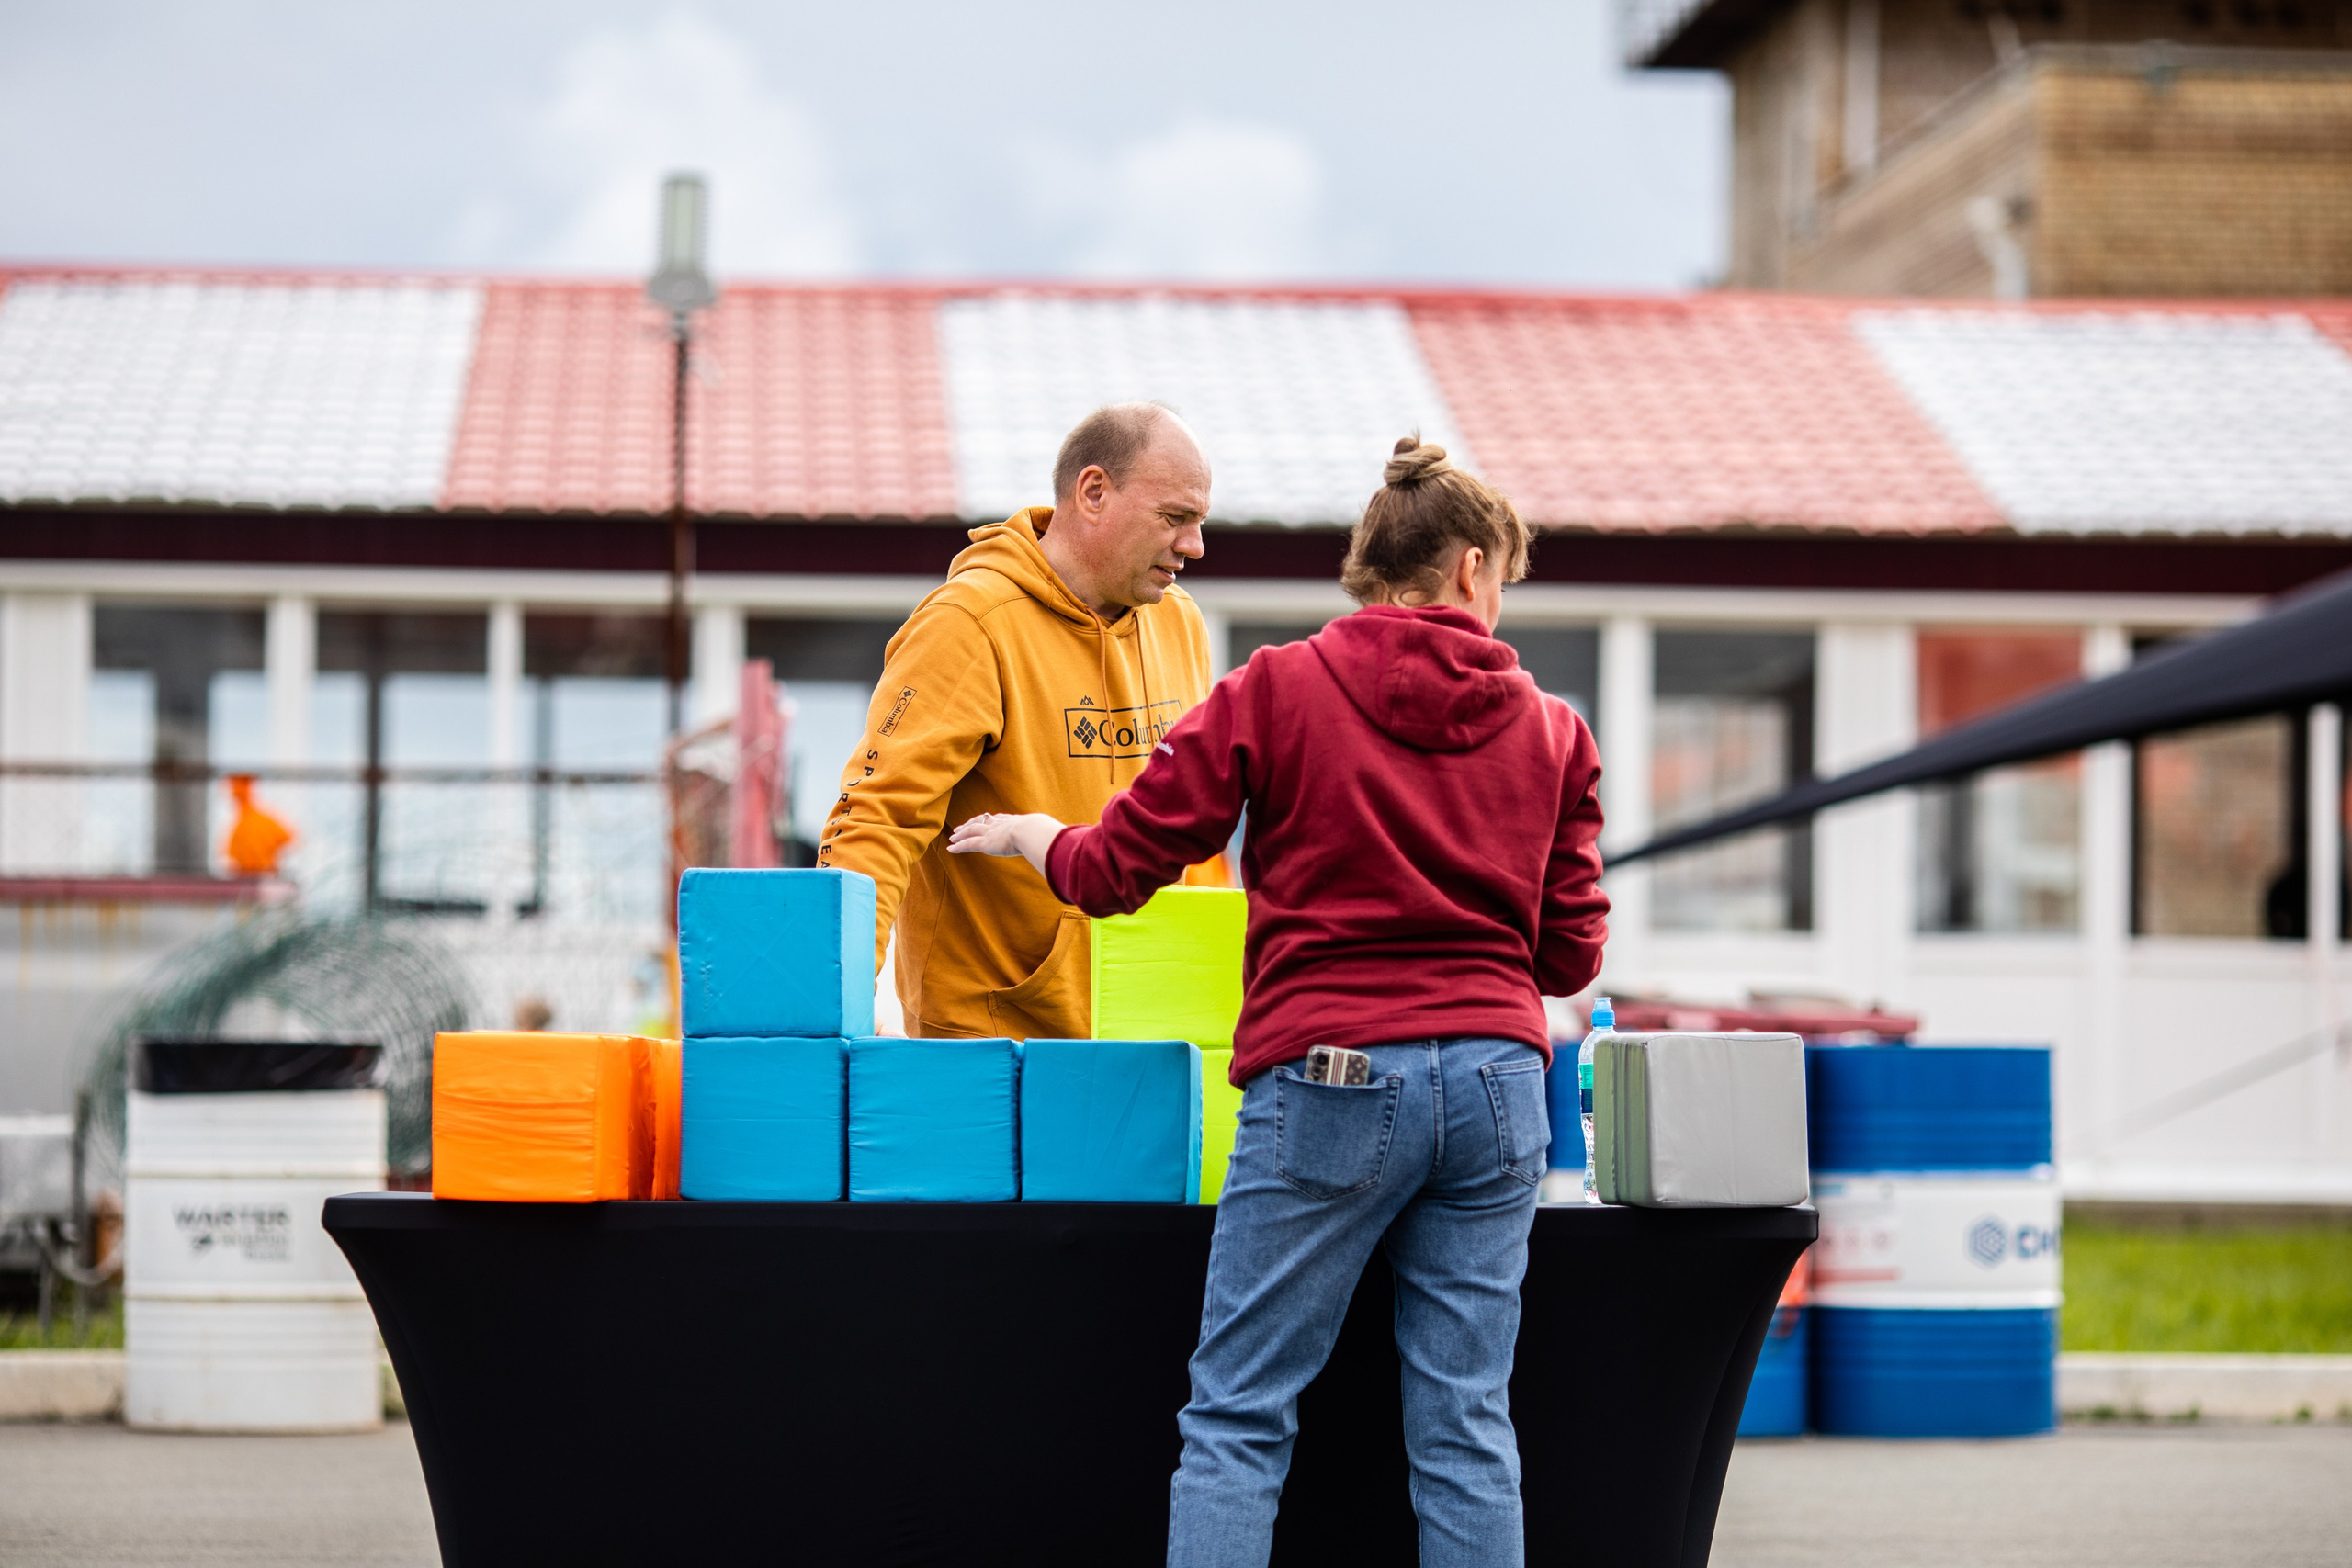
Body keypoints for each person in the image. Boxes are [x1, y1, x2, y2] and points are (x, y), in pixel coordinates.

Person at [950, 436, 1608, 1567]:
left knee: (1240, 1416)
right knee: (1466, 1426)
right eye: (1504, 578)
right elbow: (1568, 956)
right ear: (1466, 569)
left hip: (1329, 1078)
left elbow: (1117, 870)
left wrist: (1027, 834)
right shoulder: (1555, 732)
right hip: (1501, 1085)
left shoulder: (1273, 689)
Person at [818, 402, 1222, 1041]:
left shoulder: (1181, 622)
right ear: (1094, 492)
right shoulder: (969, 625)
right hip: (991, 1046)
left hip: (1150, 1037)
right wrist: (828, 1013)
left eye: (1199, 521)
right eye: (1175, 518)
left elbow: (1195, 833)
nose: (1194, 545)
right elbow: (877, 821)